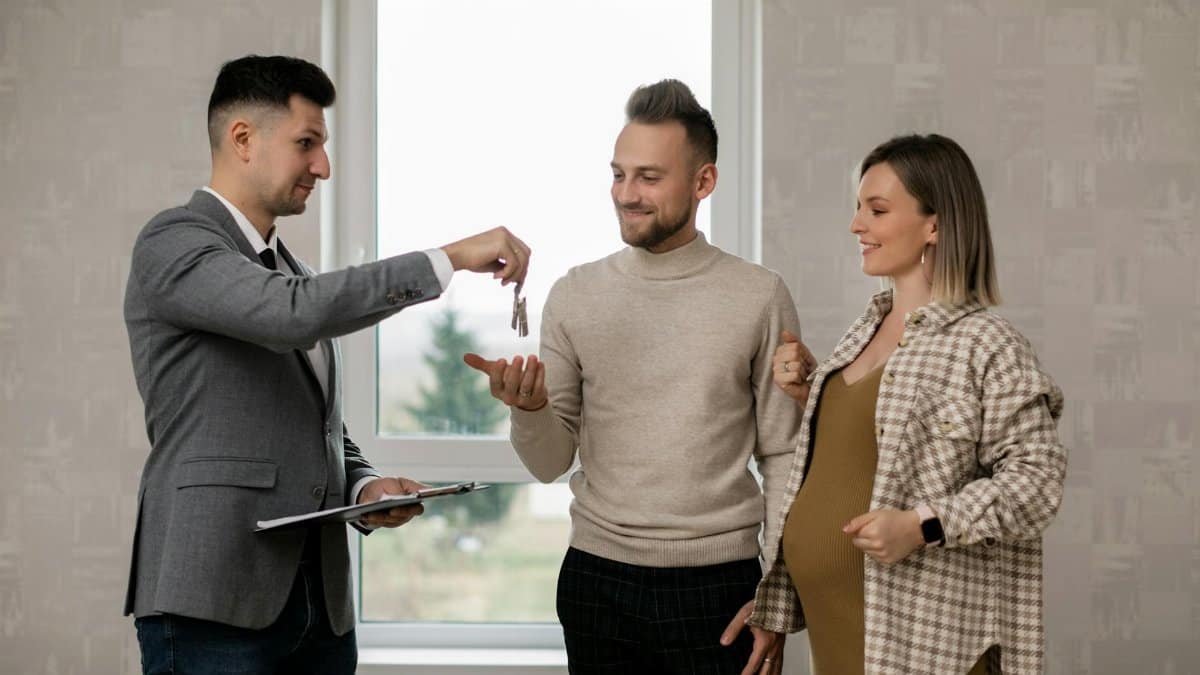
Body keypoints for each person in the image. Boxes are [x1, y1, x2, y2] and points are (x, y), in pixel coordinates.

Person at [123, 54, 531, 674]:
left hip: (319, 610)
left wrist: (364, 485)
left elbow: (318, 426)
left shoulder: (294, 276)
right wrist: (448, 258)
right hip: (211, 601)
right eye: (306, 143)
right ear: (243, 140)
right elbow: (294, 314)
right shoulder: (174, 243)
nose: (323, 167)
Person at [465, 79, 812, 674]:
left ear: (704, 182)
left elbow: (783, 453)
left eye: (649, 177)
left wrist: (778, 597)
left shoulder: (758, 295)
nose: (626, 194)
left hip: (719, 586)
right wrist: (528, 411)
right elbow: (550, 461)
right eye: (618, 174)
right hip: (595, 580)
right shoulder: (576, 294)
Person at [748, 134, 1067, 674]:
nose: (856, 226)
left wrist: (923, 525)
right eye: (858, 208)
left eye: (876, 210)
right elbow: (876, 453)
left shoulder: (987, 343)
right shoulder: (864, 331)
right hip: (841, 635)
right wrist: (816, 393)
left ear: (934, 225)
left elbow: (1038, 483)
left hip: (925, 648)